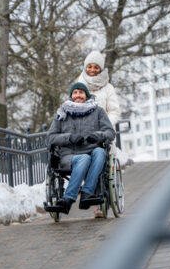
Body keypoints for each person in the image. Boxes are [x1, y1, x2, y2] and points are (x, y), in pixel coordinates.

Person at [47, 82, 116, 215]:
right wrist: (69, 137)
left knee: (100, 152)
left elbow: (110, 132)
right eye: (75, 92)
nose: (78, 95)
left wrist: (98, 136)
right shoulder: (62, 113)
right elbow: (50, 138)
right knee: (84, 158)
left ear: (86, 95)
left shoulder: (98, 111)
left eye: (81, 92)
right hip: (69, 155)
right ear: (71, 95)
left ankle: (86, 193)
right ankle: (68, 198)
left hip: (92, 151)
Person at [77, 50, 121, 217]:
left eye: (96, 67)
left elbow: (115, 111)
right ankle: (92, 197)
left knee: (98, 159)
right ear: (85, 67)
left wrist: (105, 126)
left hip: (102, 133)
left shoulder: (108, 88)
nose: (93, 70)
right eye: (90, 66)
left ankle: (98, 203)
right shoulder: (79, 84)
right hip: (83, 133)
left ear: (101, 69)